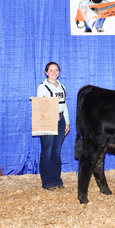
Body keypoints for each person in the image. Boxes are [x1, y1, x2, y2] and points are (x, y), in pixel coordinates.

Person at [37, 62, 70, 190]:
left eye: (56, 70)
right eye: (51, 70)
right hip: (47, 120)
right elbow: (40, 106)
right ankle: (47, 182)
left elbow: (64, 105)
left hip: (61, 120)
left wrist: (67, 122)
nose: (54, 72)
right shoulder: (42, 87)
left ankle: (57, 180)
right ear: (46, 72)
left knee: (56, 152)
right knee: (47, 151)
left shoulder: (62, 87)